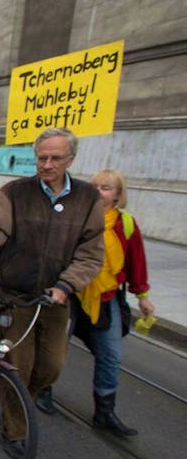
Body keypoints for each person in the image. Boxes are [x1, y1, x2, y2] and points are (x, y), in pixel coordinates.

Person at [0, 127, 104, 459]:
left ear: (71, 159)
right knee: (17, 368)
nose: (47, 164)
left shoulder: (87, 199)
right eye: (41, 157)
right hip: (16, 299)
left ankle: (21, 402)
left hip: (56, 301)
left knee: (51, 367)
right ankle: (15, 430)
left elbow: (91, 252)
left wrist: (67, 285)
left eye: (55, 158)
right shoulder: (14, 193)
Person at [66, 169, 151, 436]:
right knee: (54, 349)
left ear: (117, 194)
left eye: (105, 187)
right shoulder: (74, 217)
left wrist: (143, 297)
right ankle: (42, 391)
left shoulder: (125, 224)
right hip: (70, 291)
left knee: (111, 356)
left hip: (106, 296)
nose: (98, 191)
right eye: (94, 186)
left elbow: (136, 262)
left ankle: (104, 412)